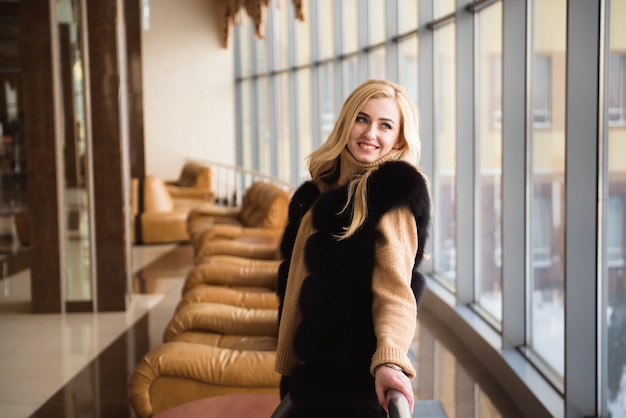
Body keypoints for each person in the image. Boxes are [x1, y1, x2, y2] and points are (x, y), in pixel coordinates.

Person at [274, 79, 432, 417]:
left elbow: (395, 291)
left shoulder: (389, 198)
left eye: (385, 125)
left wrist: (391, 358)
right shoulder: (320, 189)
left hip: (350, 389)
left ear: (399, 138)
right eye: (362, 119)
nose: (370, 133)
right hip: (308, 375)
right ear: (347, 122)